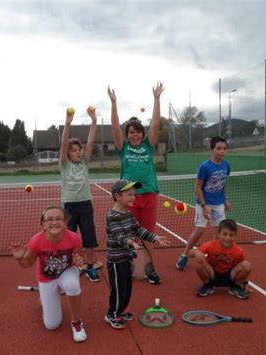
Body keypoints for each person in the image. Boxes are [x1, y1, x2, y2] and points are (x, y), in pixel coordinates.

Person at [107, 82, 165, 285]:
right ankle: (129, 264)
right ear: (127, 135)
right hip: (128, 197)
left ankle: (150, 268)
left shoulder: (148, 147)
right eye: (131, 132)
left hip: (149, 194)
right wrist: (114, 103)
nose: (135, 134)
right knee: (127, 234)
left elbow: (156, 124)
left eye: (138, 131)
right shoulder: (123, 148)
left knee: (147, 234)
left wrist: (157, 99)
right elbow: (115, 127)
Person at [10, 206, 87, 343]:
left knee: (72, 284)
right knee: (52, 325)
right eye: (49, 219)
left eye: (58, 218)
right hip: (46, 278)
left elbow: (79, 258)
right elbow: (27, 263)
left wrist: (78, 261)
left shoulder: (74, 238)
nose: (54, 222)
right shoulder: (36, 241)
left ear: (65, 223)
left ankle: (76, 322)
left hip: (66, 272)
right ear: (43, 225)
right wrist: (20, 258)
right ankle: (46, 299)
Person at [105, 180, 169, 329]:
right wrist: (131, 243)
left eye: (134, 194)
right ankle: (112, 314)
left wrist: (155, 238)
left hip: (126, 258)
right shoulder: (112, 216)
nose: (134, 197)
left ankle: (121, 310)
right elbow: (119, 235)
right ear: (118, 196)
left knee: (127, 287)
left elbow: (139, 230)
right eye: (130, 194)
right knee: (119, 288)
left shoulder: (128, 213)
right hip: (116, 260)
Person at [176, 136, 232, 271]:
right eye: (218, 148)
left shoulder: (226, 165)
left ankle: (213, 257)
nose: (222, 151)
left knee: (219, 232)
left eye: (224, 149)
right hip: (204, 203)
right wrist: (204, 205)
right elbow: (198, 188)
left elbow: (223, 184)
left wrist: (225, 200)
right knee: (199, 231)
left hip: (218, 204)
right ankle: (184, 255)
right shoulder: (205, 167)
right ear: (212, 150)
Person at [59, 106, 100, 282]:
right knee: (68, 240)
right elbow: (63, 145)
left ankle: (90, 267)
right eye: (73, 150)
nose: (78, 152)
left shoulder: (84, 163)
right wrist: (67, 123)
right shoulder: (64, 165)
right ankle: (69, 267)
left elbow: (90, 143)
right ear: (68, 153)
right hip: (69, 206)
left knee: (89, 239)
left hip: (85, 204)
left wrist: (94, 122)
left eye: (79, 150)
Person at [188, 219, 252, 299]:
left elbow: (241, 266)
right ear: (218, 235)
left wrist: (245, 282)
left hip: (229, 276)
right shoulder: (211, 245)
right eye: (224, 234)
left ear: (235, 236)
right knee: (199, 261)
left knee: (247, 265)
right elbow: (190, 253)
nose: (227, 238)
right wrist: (196, 253)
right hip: (212, 274)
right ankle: (208, 285)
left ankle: (236, 287)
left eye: (231, 235)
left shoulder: (238, 251)